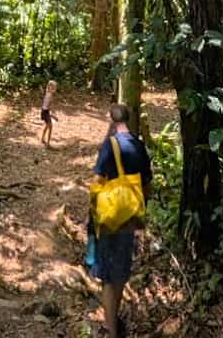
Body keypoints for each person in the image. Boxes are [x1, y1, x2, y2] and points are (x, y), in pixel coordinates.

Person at [91, 103, 152, 338]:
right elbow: (147, 185)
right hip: (131, 218)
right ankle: (114, 318)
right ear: (130, 118)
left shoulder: (110, 145)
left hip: (110, 217)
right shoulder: (139, 145)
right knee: (121, 272)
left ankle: (112, 330)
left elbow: (97, 182)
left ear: (111, 120)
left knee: (107, 275)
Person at [40, 79, 58, 146]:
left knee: (47, 126)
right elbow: (48, 106)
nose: (55, 89)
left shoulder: (48, 93)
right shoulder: (49, 95)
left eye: (55, 87)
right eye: (53, 88)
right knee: (50, 127)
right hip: (45, 111)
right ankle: (48, 142)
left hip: (44, 111)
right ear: (49, 87)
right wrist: (53, 115)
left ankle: (43, 139)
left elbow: (47, 106)